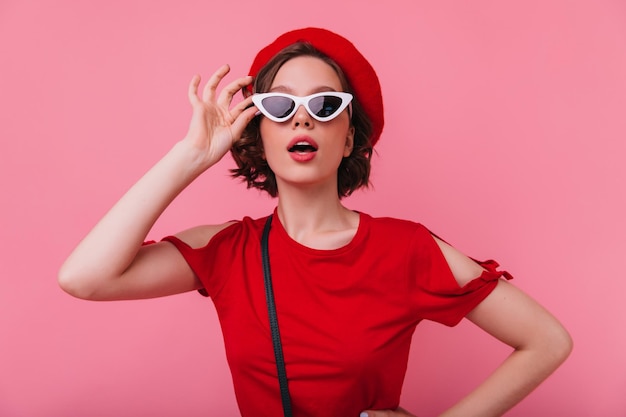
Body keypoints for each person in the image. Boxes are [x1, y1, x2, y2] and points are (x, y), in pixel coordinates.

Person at [58, 27, 572, 417]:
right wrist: (189, 156)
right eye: (280, 105)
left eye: (325, 105)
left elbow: (547, 340)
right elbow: (85, 278)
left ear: (350, 139)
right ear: (259, 134)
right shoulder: (227, 249)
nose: (302, 118)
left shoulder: (406, 248)